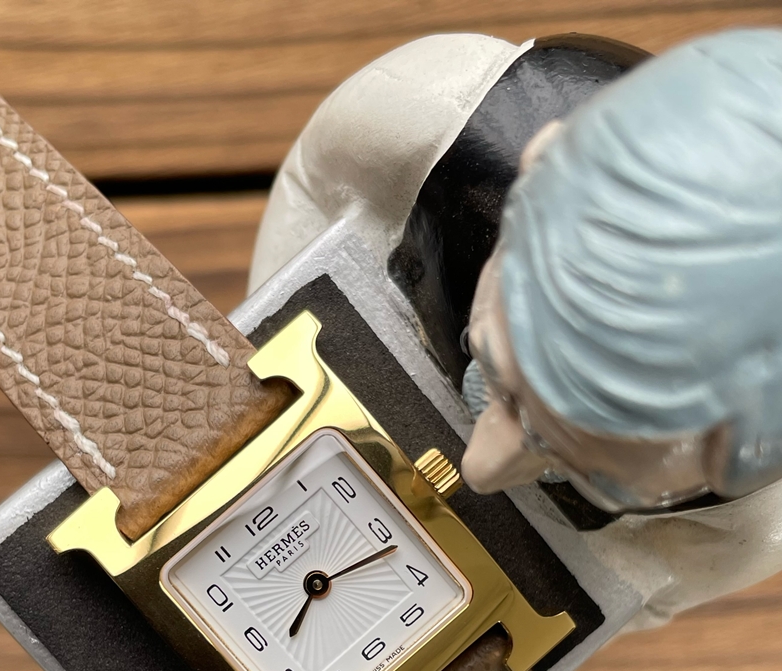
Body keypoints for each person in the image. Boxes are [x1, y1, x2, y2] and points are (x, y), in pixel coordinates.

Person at [249, 29, 782, 631]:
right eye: (498, 375)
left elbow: (620, 604)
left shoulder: (756, 523)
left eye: (589, 472)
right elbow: (309, 202)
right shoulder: (438, 119)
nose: (480, 466)